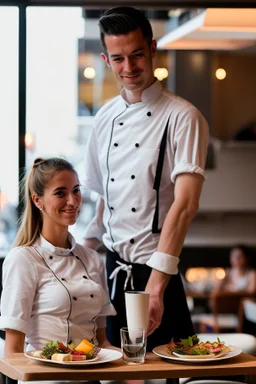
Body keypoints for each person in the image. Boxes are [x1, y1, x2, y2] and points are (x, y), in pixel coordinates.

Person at [83, 7, 209, 351]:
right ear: (105, 59)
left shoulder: (183, 117)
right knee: (110, 370)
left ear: (152, 49)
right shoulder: (104, 117)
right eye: (118, 58)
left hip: (156, 273)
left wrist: (155, 288)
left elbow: (184, 206)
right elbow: (103, 201)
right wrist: (77, 260)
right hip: (112, 272)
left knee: (171, 368)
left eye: (137, 55)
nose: (129, 68)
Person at [0, 157, 116, 361]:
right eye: (60, 193)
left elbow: (102, 343)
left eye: (76, 190)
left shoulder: (93, 259)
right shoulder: (23, 259)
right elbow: (13, 351)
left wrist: (133, 357)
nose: (72, 201)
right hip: (45, 377)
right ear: (37, 200)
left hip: (89, 376)